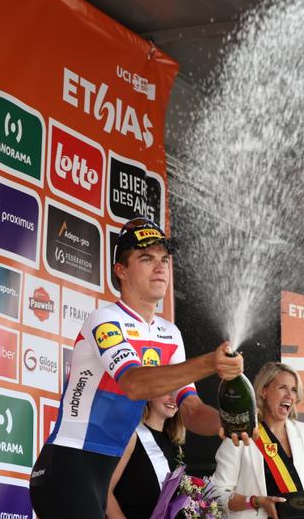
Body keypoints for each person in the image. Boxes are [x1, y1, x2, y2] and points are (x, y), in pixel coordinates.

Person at [30, 217, 248, 519]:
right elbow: (134, 384)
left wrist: (228, 422)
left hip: (103, 473)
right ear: (121, 270)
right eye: (147, 259)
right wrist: (210, 363)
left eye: (164, 260)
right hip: (68, 464)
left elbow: (192, 411)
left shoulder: (170, 334)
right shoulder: (103, 320)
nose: (160, 268)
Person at [212, 362, 304, 518]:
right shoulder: (241, 435)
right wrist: (256, 501)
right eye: (282, 388)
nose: (289, 395)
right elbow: (216, 495)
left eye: (293, 390)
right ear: (263, 391)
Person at [107, 392, 185, 519]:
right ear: (149, 394)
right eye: (167, 391)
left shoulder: (176, 448)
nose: (173, 399)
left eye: (177, 393)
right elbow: (106, 491)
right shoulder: (132, 437)